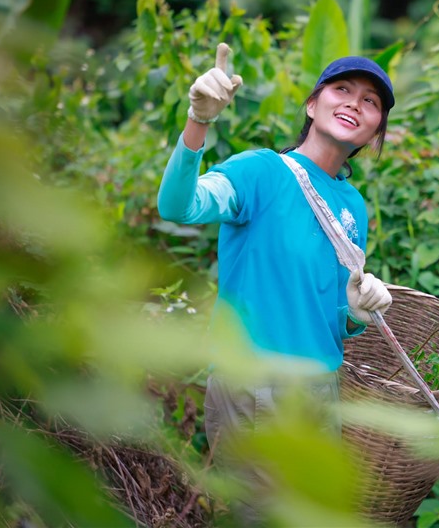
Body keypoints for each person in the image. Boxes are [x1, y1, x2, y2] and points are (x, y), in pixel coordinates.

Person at [157, 43, 395, 454]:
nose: (354, 104)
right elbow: (179, 205)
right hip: (255, 385)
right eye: (342, 90)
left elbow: (329, 319)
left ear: (375, 130)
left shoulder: (353, 205)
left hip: (321, 392)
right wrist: (198, 120)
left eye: (370, 101)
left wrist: (356, 315)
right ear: (311, 105)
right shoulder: (260, 172)